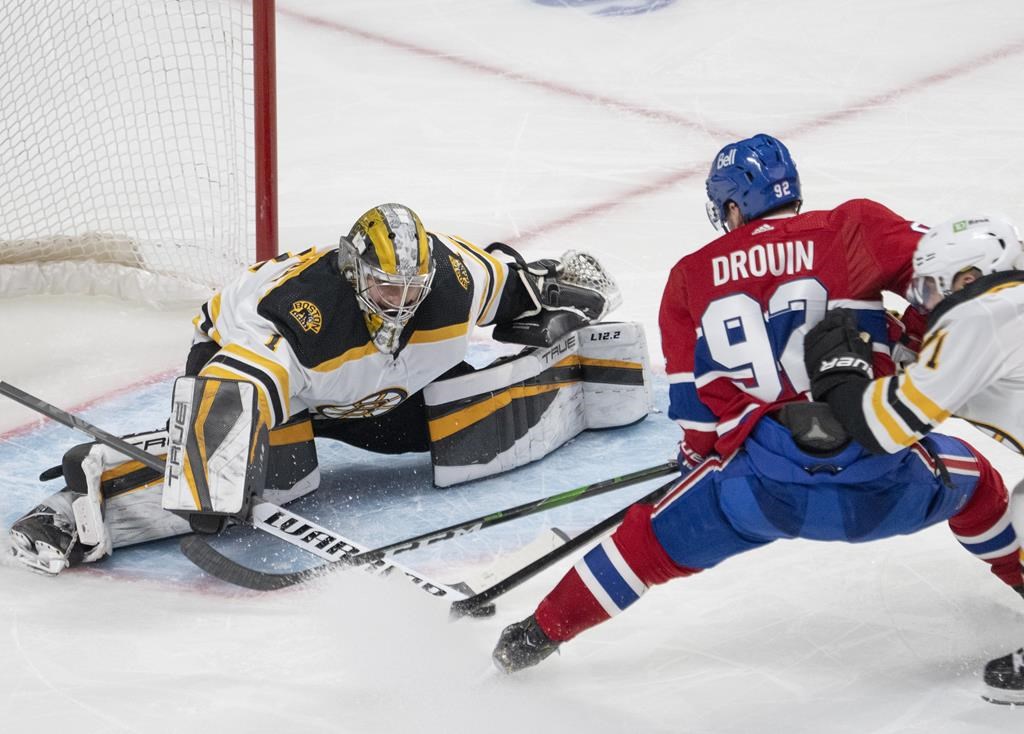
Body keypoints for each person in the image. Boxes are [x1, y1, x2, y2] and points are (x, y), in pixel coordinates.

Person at [490, 134, 1022, 682]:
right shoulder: (850, 229)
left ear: (732, 207)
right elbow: (953, 285)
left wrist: (696, 464)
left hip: (759, 491)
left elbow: (696, 417)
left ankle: (529, 639)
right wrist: (905, 334)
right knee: (978, 482)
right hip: (884, 480)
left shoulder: (691, 275)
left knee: (644, 543)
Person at [8, 202, 632, 575]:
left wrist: (561, 301)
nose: (403, 303)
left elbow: (513, 286)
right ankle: (76, 505)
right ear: (355, 270)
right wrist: (210, 476)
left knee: (458, 420)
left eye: (414, 288)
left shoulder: (451, 277)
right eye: (388, 288)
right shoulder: (293, 317)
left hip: (370, 393)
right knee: (271, 472)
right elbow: (233, 396)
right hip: (252, 372)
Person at [802, 214, 1024, 705]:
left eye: (929, 288)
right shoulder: (1007, 308)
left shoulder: (981, 316)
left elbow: (886, 427)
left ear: (969, 279)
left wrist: (839, 376)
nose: (923, 304)